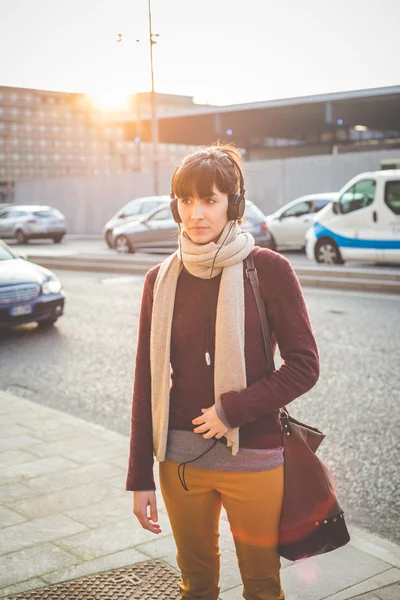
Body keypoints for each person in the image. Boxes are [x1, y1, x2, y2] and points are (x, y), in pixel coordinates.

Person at [126, 144, 320, 600]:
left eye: (210, 200)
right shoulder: (160, 279)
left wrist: (230, 410)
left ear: (232, 204)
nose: (196, 213)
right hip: (179, 462)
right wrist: (140, 477)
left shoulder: (269, 270)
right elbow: (146, 379)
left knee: (261, 583)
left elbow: (304, 365)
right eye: (186, 201)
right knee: (195, 584)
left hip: (252, 456)